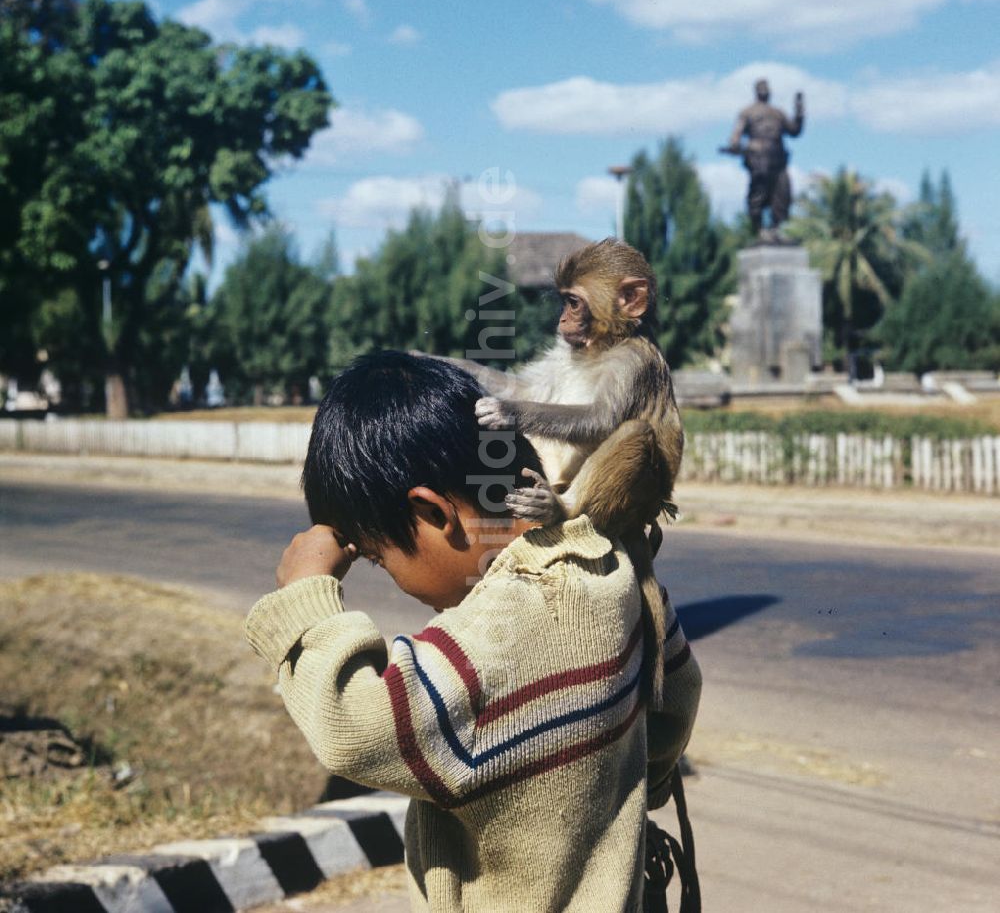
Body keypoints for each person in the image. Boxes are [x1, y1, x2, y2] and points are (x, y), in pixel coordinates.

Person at [245, 351, 701, 912]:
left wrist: (304, 598)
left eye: (380, 560)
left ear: (434, 515)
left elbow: (354, 728)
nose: (394, 582)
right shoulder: (614, 564)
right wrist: (631, 793)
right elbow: (677, 691)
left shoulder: (487, 642)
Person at [724, 78, 805, 234]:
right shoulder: (748, 112)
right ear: (756, 91)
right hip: (758, 158)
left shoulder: (778, 113)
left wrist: (799, 112)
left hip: (778, 158)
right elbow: (736, 134)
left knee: (783, 193)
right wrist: (734, 144)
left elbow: (794, 131)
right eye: (761, 88)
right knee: (758, 193)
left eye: (766, 88)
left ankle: (776, 229)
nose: (764, 91)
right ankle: (759, 228)